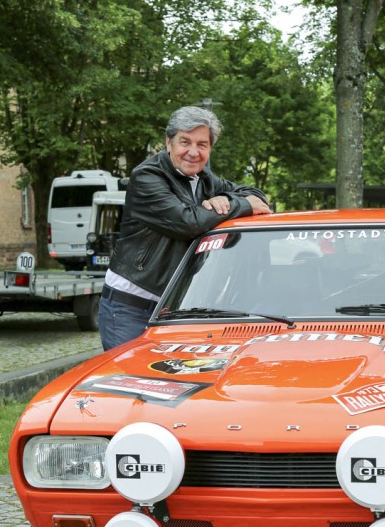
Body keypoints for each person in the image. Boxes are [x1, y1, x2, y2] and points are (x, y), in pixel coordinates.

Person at [98, 106, 271, 350]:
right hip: (131, 307)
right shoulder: (146, 176)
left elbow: (257, 197)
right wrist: (238, 205)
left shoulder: (204, 179)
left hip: (176, 308)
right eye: (184, 142)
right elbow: (186, 222)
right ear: (168, 142)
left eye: (202, 144)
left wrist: (228, 201)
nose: (193, 152)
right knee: (131, 381)